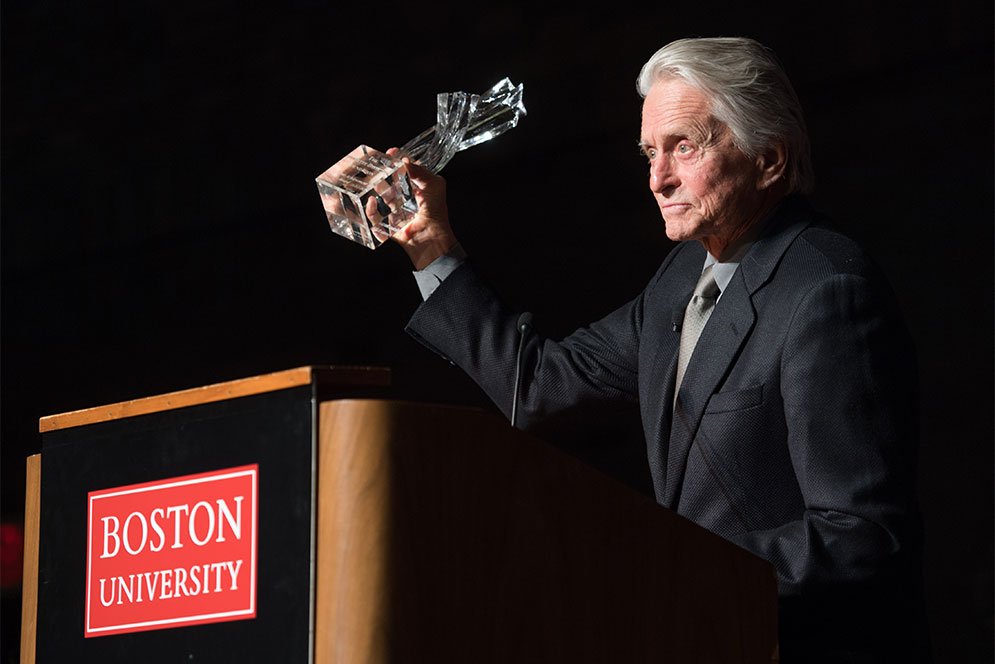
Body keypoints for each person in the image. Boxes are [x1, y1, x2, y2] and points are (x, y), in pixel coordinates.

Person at [391, 37, 929, 662]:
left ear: (771, 160)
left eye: (684, 146)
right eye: (650, 151)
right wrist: (431, 245)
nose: (658, 178)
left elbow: (860, 536)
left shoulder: (828, 293)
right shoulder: (681, 278)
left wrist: (665, 565)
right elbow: (538, 388)